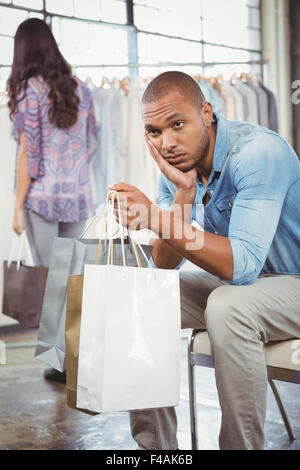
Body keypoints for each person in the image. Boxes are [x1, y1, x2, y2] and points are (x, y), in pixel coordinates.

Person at [109, 71, 300, 450]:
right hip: (253, 287)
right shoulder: (178, 165)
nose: (167, 143)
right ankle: (157, 452)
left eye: (177, 124)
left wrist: (155, 217)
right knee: (143, 293)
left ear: (207, 113)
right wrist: (181, 195)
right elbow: (164, 264)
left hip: (290, 282)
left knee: (228, 306)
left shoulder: (257, 153)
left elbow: (241, 265)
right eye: (154, 132)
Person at [7, 18, 97, 382]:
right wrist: (73, 176)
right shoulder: (82, 89)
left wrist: (17, 206)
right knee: (73, 278)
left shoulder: (30, 91)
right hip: (77, 198)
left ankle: (59, 363)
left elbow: (28, 155)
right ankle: (73, 358)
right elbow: (92, 144)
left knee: (50, 282)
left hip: (42, 202)